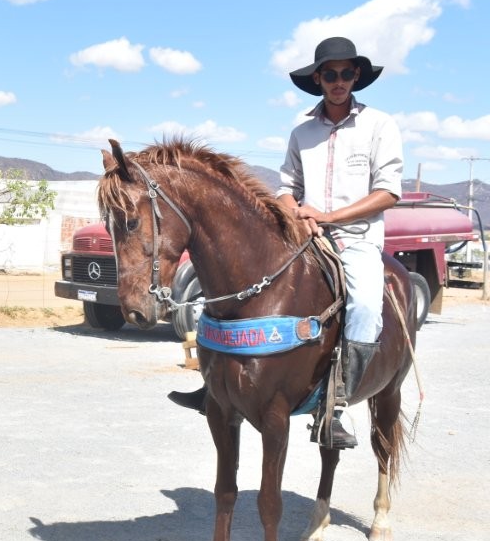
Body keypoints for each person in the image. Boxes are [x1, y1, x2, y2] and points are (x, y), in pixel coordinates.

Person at [170, 37, 404, 450]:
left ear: (356, 76)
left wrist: (329, 217)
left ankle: (335, 405)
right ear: (318, 79)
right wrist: (295, 214)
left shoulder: (379, 126)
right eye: (329, 74)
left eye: (346, 73)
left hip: (356, 239)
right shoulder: (302, 132)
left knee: (366, 306)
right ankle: (216, 386)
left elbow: (388, 192)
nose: (338, 81)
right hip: (305, 235)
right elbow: (286, 189)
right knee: (238, 286)